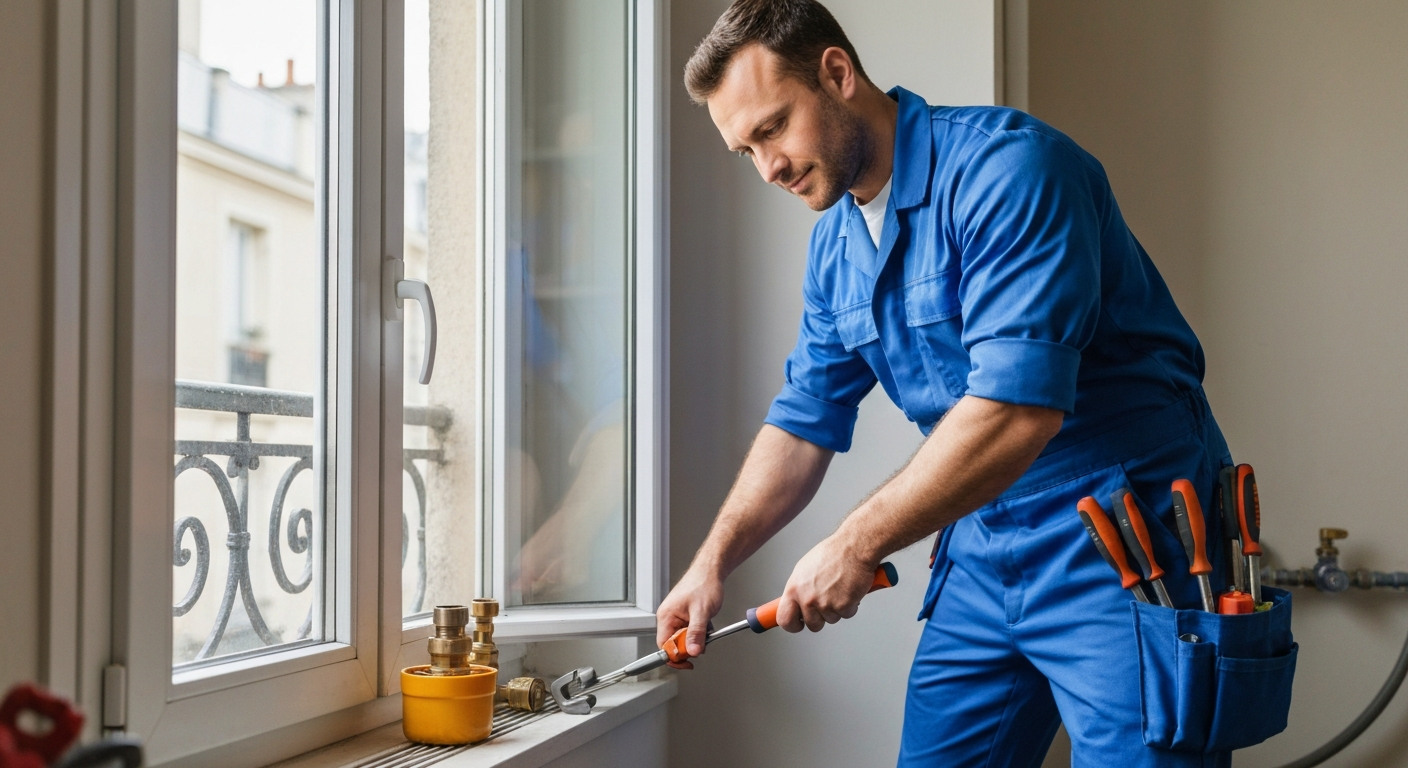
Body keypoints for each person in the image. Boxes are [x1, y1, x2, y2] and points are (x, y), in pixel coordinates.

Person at [656, 1, 1234, 765]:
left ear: (836, 72)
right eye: (746, 151)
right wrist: (710, 565)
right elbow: (803, 419)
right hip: (982, 540)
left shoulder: (1012, 171)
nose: (769, 167)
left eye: (773, 128)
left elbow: (1015, 412)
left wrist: (855, 541)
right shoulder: (836, 246)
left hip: (1125, 534)